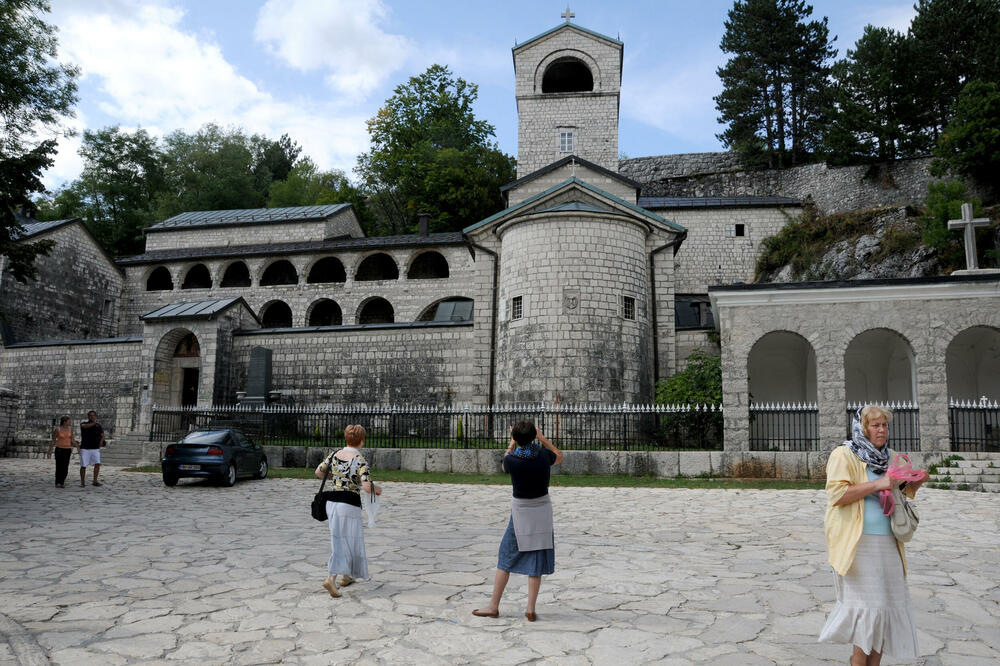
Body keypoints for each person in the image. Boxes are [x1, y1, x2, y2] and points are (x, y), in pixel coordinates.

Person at [819, 405, 925, 665]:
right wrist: (877, 484)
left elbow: (899, 492)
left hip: (888, 544)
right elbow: (837, 495)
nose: (881, 430)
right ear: (863, 428)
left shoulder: (890, 457)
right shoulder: (844, 454)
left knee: (884, 611)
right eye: (875, 425)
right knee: (869, 611)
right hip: (858, 546)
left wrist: (914, 482)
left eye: (884, 425)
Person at [473, 420, 563, 622]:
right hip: (541, 510)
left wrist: (510, 443)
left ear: (515, 437)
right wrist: (543, 439)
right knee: (537, 557)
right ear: (534, 436)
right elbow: (559, 456)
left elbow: (504, 463)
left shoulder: (513, 460)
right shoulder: (543, 456)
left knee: (505, 556)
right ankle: (530, 608)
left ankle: (494, 605)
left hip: (521, 512)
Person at [313, 424, 381, 598]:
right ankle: (331, 578)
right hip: (349, 504)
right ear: (362, 441)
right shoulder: (359, 460)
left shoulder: (334, 454)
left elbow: (319, 472)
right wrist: (378, 489)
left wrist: (338, 478)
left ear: (346, 438)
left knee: (340, 538)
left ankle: (346, 576)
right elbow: (367, 487)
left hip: (332, 502)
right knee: (348, 541)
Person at [46, 416, 78, 488]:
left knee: (65, 467)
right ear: (64, 422)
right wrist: (50, 450)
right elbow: (53, 440)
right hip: (59, 449)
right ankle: (58, 482)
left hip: (67, 450)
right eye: (69, 421)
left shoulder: (70, 429)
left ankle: (62, 481)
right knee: (59, 466)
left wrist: (78, 447)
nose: (70, 422)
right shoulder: (57, 429)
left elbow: (72, 439)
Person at [79, 410, 105, 487]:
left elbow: (102, 434)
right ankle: (82, 482)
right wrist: (94, 423)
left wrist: (101, 441)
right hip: (85, 448)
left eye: (93, 415)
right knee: (83, 465)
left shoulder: (98, 426)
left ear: (95, 416)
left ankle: (95, 481)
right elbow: (85, 427)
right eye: (90, 415)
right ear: (88, 416)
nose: (92, 417)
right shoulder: (84, 423)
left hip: (95, 448)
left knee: (97, 463)